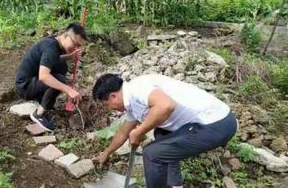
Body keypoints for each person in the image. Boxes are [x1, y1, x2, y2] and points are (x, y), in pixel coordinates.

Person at [92, 73, 237, 188]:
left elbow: (166, 105)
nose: (110, 109)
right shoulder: (131, 102)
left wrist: (139, 131)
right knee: (161, 133)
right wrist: (106, 153)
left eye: (107, 105)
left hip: (216, 124)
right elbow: (123, 133)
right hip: (205, 123)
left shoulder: (138, 88)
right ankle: (175, 184)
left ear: (113, 96)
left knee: (152, 154)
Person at [15, 22, 87, 131]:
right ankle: (39, 114)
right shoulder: (51, 47)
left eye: (79, 46)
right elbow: (44, 76)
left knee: (62, 67)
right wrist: (68, 90)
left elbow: (53, 60)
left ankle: (42, 102)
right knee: (60, 80)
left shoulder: (54, 43)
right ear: (66, 36)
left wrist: (69, 57)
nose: (76, 48)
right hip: (25, 87)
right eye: (75, 44)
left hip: (32, 82)